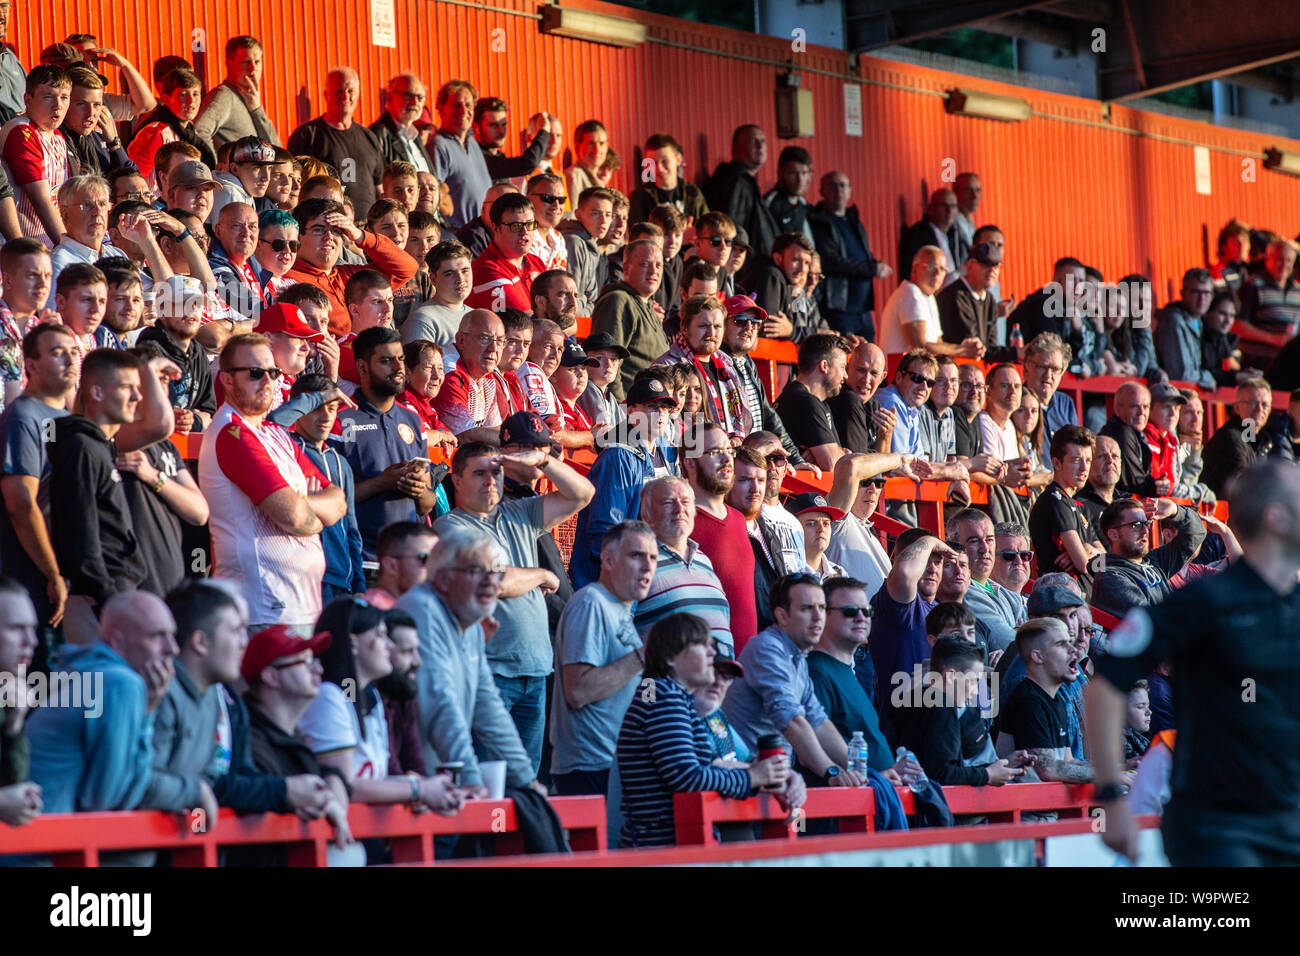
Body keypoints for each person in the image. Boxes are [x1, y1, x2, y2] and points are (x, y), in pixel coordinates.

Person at [1088, 461, 1300, 863]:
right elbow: (1105, 685)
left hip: (1289, 822)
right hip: (1217, 828)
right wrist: (1112, 795)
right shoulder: (1202, 603)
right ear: (1277, 518)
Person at [437, 436, 593, 771]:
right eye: (479, 473)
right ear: (457, 480)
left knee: (525, 781)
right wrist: (540, 575)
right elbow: (492, 582)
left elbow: (583, 494)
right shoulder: (450, 526)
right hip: (491, 675)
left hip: (535, 670)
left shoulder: (519, 512)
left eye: (496, 472)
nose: (490, 480)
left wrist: (543, 460)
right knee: (490, 782)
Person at [200, 333, 347, 633]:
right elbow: (297, 519)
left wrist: (299, 502)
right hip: (263, 607)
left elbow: (338, 502)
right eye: (255, 373)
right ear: (227, 380)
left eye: (273, 373)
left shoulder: (276, 433)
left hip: (301, 603)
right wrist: (307, 512)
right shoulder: (231, 433)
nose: (267, 381)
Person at [395, 526, 548, 794]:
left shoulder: (469, 621)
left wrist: (527, 780)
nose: (491, 582)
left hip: (441, 786)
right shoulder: (423, 609)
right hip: (409, 788)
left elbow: (488, 707)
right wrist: (471, 779)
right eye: (476, 571)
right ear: (442, 580)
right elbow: (439, 703)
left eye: (495, 572)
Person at [618, 612, 791, 847]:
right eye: (701, 645)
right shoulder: (664, 696)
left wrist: (771, 775)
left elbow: (703, 769)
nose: (711, 653)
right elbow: (687, 776)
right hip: (665, 852)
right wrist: (755, 776)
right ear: (670, 657)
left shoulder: (665, 694)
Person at [25, 591, 198, 813]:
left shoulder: (93, 672)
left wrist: (147, 710)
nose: (172, 648)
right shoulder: (119, 681)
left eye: (172, 635)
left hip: (40, 836)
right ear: (117, 642)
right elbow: (105, 801)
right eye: (157, 636)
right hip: (43, 841)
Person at [297, 597, 463, 814]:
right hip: (336, 838)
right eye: (381, 635)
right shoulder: (328, 698)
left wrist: (435, 789)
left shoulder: (364, 695)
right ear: (353, 643)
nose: (389, 646)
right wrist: (417, 789)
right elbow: (346, 787)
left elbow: (374, 778)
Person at [722, 572, 870, 788]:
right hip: (743, 784)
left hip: (766, 783)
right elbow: (793, 721)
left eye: (821, 607)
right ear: (782, 616)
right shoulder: (767, 648)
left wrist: (862, 772)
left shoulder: (798, 657)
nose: (819, 617)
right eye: (807, 608)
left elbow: (818, 722)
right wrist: (831, 771)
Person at [550, 520, 656, 796]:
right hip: (591, 768)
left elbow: (634, 688)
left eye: (653, 558)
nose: (648, 567)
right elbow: (578, 690)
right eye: (636, 556)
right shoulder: (591, 603)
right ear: (607, 560)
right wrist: (643, 656)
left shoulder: (618, 607)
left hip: (618, 764)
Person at [238, 624, 357, 862]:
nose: (318, 668)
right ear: (270, 676)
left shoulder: (289, 739)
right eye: (303, 661)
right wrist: (317, 799)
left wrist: (332, 778)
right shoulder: (247, 736)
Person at [334, 326, 436, 559]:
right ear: (362, 367)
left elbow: (427, 504)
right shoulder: (340, 419)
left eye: (401, 359)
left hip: (411, 562)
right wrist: (381, 483)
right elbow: (330, 500)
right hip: (362, 562)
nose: (399, 367)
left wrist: (418, 490)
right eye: (387, 361)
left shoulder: (413, 420)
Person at [268, 372, 366, 602]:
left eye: (332, 409)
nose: (325, 416)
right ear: (300, 409)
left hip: (342, 580)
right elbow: (271, 424)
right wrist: (321, 396)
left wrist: (359, 584)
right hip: (301, 578)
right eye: (316, 408)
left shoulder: (340, 463)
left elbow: (351, 528)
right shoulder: (287, 449)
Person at [896, 635, 1027, 787]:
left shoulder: (918, 700)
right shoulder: (942, 707)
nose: (975, 691)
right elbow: (940, 773)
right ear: (951, 676)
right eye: (972, 681)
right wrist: (987, 775)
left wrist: (1002, 765)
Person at [805, 575, 903, 778]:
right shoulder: (816, 673)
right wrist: (876, 776)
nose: (861, 617)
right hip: (843, 803)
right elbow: (811, 745)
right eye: (850, 611)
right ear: (822, 616)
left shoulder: (847, 673)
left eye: (867, 611)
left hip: (872, 797)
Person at [283, 197, 417, 338]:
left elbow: (407, 268)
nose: (329, 237)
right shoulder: (285, 277)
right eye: (319, 229)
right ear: (298, 236)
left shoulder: (350, 275)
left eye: (336, 231)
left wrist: (360, 236)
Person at [679, 420, 760, 651]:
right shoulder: (679, 523)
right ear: (690, 463)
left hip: (745, 669)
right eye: (715, 452)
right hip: (704, 667)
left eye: (728, 450)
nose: (727, 459)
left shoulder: (738, 519)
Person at [634, 475, 733, 650]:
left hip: (719, 674)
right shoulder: (636, 563)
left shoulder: (704, 561)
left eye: (686, 502)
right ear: (647, 515)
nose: (679, 509)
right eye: (668, 502)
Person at [869, 529, 953, 730]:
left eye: (938, 562)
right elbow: (905, 572)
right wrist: (930, 539)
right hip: (907, 736)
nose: (933, 569)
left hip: (942, 729)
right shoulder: (899, 605)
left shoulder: (938, 610)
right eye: (926, 562)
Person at [994, 617, 1093, 784]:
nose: (1073, 649)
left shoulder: (1057, 701)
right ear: (1037, 656)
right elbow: (1049, 770)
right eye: (1061, 644)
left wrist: (1122, 768)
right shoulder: (1028, 701)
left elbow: (1069, 762)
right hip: (1025, 808)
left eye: (1070, 642)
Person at [286, 68, 382, 220]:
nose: (345, 96)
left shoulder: (369, 137)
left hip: (364, 231)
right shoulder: (307, 136)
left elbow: (379, 188)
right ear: (325, 95)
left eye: (351, 91)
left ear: (358, 95)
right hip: (323, 226)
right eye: (339, 91)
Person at [721, 294, 805, 460]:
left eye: (755, 323)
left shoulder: (747, 363)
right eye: (740, 320)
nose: (749, 327)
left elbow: (769, 416)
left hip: (753, 462)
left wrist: (795, 459)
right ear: (721, 325)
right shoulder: (714, 366)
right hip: (731, 464)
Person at [1092, 496, 1206, 617]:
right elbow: (1150, 618)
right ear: (1114, 535)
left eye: (1147, 523)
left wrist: (1175, 511)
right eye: (1136, 525)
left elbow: (1197, 533)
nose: (1145, 530)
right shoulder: (1110, 577)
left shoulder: (1154, 560)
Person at [3, 65, 75, 247]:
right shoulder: (21, 132)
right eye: (48, 96)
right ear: (27, 99)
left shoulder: (58, 136)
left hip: (53, 242)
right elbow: (40, 199)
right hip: (28, 247)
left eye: (64, 97)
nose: (58, 105)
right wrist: (67, 247)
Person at [589, 238, 667, 399]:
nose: (654, 271)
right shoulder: (618, 301)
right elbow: (608, 365)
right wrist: (620, 411)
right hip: (632, 410)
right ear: (626, 268)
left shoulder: (647, 305)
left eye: (658, 265)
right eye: (645, 264)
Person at [1028, 424, 1104, 587]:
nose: (1084, 468)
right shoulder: (1055, 499)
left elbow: (1105, 565)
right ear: (1056, 463)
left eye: (1088, 460)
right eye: (1076, 460)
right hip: (1062, 599)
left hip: (1083, 598)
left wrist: (1088, 549)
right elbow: (1084, 565)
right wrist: (1085, 554)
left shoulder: (1080, 506)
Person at [772, 332, 851, 471]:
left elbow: (834, 459)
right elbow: (835, 466)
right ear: (824, 366)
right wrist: (841, 455)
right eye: (843, 367)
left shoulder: (816, 402)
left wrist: (835, 454)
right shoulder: (805, 402)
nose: (846, 375)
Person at [704, 125, 778, 265]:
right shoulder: (736, 181)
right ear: (735, 148)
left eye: (763, 141)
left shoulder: (745, 181)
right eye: (753, 141)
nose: (760, 146)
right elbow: (732, 228)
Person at [1200, 377, 1275, 497]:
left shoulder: (1262, 442)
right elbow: (1243, 490)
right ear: (1236, 407)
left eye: (1265, 405)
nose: (1259, 409)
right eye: (1252, 403)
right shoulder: (1228, 438)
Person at [629, 133, 708, 227]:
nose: (659, 168)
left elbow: (708, 229)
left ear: (678, 159)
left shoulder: (693, 193)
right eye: (653, 163)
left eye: (664, 161)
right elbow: (637, 236)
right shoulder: (640, 197)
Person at [369, 73, 434, 172]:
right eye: (408, 96)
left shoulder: (415, 137)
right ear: (390, 97)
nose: (415, 102)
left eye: (420, 97)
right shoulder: (378, 135)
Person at [898, 187, 965, 279]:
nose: (949, 211)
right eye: (944, 206)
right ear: (930, 209)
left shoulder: (954, 234)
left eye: (953, 206)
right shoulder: (919, 234)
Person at [1237, 237, 1300, 335]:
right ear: (1267, 259)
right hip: (1258, 350)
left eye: (1289, 261)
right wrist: (1273, 339)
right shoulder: (1253, 285)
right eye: (1280, 259)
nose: (1284, 265)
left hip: (1290, 349)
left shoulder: (1297, 290)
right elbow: (1239, 325)